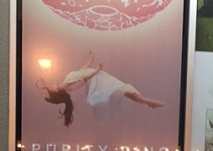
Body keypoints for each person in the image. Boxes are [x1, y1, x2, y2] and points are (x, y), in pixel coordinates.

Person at [36, 51, 165, 127]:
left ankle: (149, 102)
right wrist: (97, 69)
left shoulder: (66, 81)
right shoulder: (68, 85)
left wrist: (89, 60)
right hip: (98, 81)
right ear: (57, 91)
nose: (52, 84)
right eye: (52, 88)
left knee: (124, 90)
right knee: (123, 90)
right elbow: (84, 79)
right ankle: (150, 102)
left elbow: (81, 71)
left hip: (98, 77)